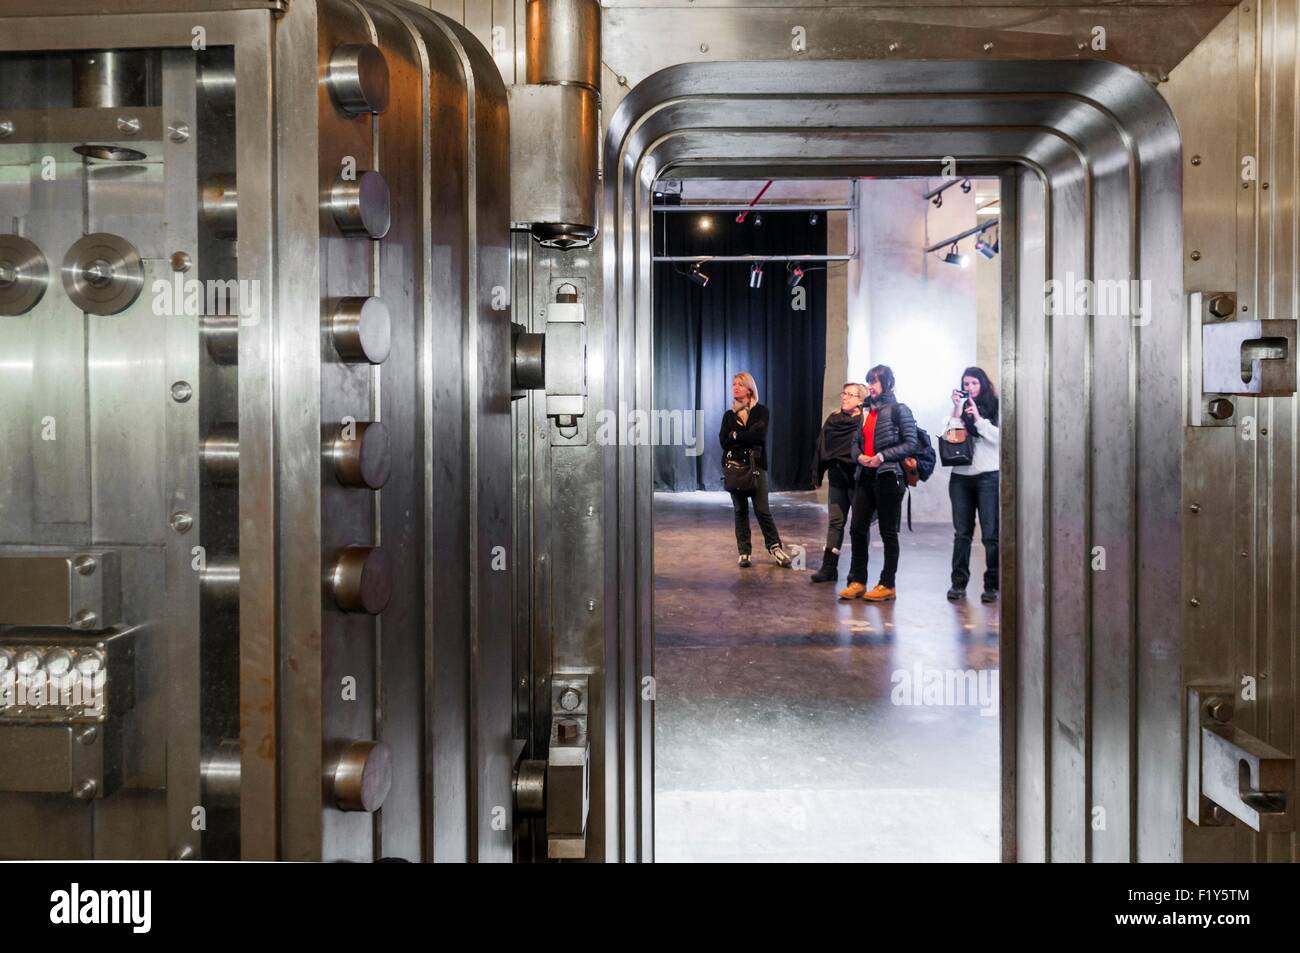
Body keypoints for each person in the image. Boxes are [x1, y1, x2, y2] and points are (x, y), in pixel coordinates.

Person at [839, 365, 916, 601]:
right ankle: (858, 581)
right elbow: (855, 443)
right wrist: (859, 456)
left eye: (875, 381)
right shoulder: (865, 412)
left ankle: (887, 584)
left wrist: (881, 457)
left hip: (889, 476)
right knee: (857, 528)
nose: (870, 386)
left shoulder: (899, 410)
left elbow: (910, 444)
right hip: (866, 476)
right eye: (869, 381)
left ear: (887, 384)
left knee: (888, 532)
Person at [720, 372, 793, 569]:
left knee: (762, 510)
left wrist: (736, 435)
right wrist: (741, 436)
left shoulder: (761, 411)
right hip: (735, 469)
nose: (735, 387)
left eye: (740, 384)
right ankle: (744, 552)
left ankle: (775, 548)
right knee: (740, 510)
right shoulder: (728, 416)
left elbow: (758, 437)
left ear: (749, 389)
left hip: (757, 467)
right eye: (734, 384)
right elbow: (723, 442)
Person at [941, 366, 1000, 603]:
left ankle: (992, 585)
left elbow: (999, 439)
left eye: (974, 383)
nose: (969, 388)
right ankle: (958, 584)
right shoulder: (958, 410)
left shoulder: (995, 406)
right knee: (962, 533)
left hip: (988, 476)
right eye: (966, 384)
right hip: (960, 478)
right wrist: (958, 409)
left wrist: (977, 418)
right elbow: (949, 435)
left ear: (983, 385)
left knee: (990, 535)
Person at [810, 382, 868, 583]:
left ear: (861, 400)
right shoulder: (834, 419)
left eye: (850, 395)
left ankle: (857, 573)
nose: (844, 398)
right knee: (835, 522)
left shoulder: (863, 421)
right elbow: (821, 446)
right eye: (844, 394)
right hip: (837, 478)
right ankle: (828, 568)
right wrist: (816, 475)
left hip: (858, 479)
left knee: (859, 526)